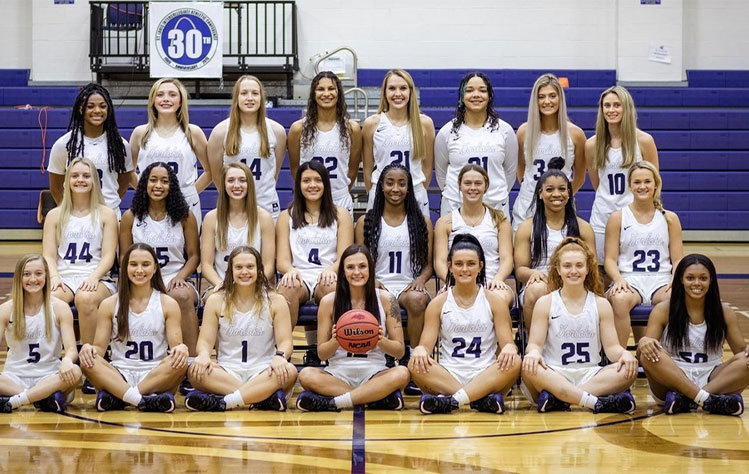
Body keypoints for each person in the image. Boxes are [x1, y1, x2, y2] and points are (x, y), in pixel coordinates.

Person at [521, 237, 638, 413]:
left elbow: (612, 348)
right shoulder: (545, 302)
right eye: (567, 266)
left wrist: (625, 354)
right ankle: (595, 402)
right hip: (554, 373)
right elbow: (535, 345)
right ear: (558, 270)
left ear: (588, 268)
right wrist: (533, 354)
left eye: (579, 265)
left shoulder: (601, 304)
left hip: (591, 374)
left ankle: (562, 399)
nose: (573, 271)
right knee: (529, 367)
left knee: (629, 369)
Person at [409, 234, 521, 414]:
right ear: (450, 267)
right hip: (448, 374)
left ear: (480, 266)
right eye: (459, 264)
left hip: (486, 374)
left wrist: (509, 348)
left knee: (515, 361)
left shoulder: (494, 301)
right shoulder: (438, 303)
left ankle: (452, 401)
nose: (465, 269)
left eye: (471, 264)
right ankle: (479, 400)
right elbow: (425, 346)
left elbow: (507, 343)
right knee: (414, 364)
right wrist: (421, 350)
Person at [295, 245, 410, 411]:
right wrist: (335, 341)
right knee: (306, 375)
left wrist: (381, 341)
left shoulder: (387, 299)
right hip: (338, 373)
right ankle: (373, 398)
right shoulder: (328, 302)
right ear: (342, 272)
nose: (357, 272)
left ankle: (334, 402)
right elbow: (322, 354)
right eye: (350, 267)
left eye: (362, 266)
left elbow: (399, 352)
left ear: (371, 269)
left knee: (402, 373)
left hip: (375, 372)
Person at [78, 243, 189, 413]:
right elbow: (99, 349)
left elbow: (176, 348)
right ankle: (144, 400)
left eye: (145, 264)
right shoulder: (109, 304)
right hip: (119, 374)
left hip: (156, 374)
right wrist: (88, 350)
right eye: (133, 264)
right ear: (125, 267)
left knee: (181, 360)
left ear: (154, 268)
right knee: (87, 361)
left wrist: (181, 349)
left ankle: (121, 397)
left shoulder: (167, 303)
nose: (139, 270)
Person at [185, 247, 297, 411]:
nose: (245, 272)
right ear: (230, 271)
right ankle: (261, 398)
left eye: (250, 267)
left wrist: (280, 357)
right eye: (239, 267)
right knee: (195, 372)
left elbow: (285, 341)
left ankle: (225, 401)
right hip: (228, 370)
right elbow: (205, 342)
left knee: (291, 372)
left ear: (259, 270)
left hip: (263, 370)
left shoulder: (275, 300)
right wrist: (202, 355)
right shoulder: (216, 300)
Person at [638, 254, 748, 416]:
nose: (697, 283)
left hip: (712, 377)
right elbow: (648, 347)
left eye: (703, 278)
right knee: (647, 354)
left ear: (711, 280)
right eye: (690, 278)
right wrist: (644, 341)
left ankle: (690, 400)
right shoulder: (663, 309)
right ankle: (708, 400)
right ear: (681, 279)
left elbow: (741, 352)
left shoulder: (724, 312)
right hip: (673, 378)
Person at [356, 163, 433, 366]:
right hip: (379, 285)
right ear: (381, 186)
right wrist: (371, 280)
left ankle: (414, 357)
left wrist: (420, 279)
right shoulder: (366, 221)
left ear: (409, 188)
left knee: (417, 300)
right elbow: (358, 261)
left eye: (401, 184)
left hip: (408, 285)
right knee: (377, 300)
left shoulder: (421, 221)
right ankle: (384, 357)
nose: (395, 189)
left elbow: (429, 264)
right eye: (390, 183)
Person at [276, 161, 353, 364]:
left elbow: (345, 255)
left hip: (328, 274)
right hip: (299, 275)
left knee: (331, 290)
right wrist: (290, 270)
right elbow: (282, 260)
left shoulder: (341, 215)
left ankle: (327, 355)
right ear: (299, 185)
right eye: (306, 180)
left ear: (326, 184)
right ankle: (282, 356)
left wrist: (331, 269)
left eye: (318, 180)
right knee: (287, 289)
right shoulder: (287, 216)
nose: (312, 185)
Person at [120, 162, 200, 356]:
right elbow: (124, 255)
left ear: (171, 186)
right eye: (153, 180)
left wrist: (181, 276)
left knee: (181, 296)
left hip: (173, 276)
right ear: (144, 184)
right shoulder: (131, 217)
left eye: (164, 181)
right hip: (140, 277)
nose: (158, 185)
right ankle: (134, 357)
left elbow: (194, 256)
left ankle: (191, 361)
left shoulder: (184, 216)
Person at [42, 157, 117, 357]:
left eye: (86, 176)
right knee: (49, 299)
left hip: (98, 278)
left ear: (94, 181)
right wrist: (55, 278)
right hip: (64, 277)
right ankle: (53, 359)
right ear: (66, 181)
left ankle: (91, 360)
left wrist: (93, 277)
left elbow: (109, 256)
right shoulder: (55, 215)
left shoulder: (106, 214)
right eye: (74, 176)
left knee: (85, 298)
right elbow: (48, 255)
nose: (80, 180)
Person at [605, 161, 683, 347]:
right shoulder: (618, 217)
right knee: (620, 299)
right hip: (630, 278)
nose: (642, 186)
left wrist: (675, 277)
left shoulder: (669, 218)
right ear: (630, 186)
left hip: (661, 278)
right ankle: (620, 357)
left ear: (655, 184)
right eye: (637, 182)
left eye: (647, 182)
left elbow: (678, 258)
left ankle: (665, 356)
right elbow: (609, 259)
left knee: (677, 299)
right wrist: (618, 279)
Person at [514, 159, 595, 327]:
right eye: (549, 189)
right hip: (540, 280)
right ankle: (535, 344)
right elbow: (520, 269)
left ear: (569, 193)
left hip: (574, 280)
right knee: (536, 291)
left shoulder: (583, 228)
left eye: (562, 189)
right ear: (540, 194)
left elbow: (591, 265)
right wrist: (531, 274)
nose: (556, 194)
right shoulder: (527, 227)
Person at [585, 85, 659, 261]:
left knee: (630, 270)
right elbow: (598, 184)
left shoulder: (644, 141)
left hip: (634, 216)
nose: (611, 110)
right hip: (602, 217)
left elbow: (654, 183)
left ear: (626, 108)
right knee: (600, 272)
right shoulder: (592, 145)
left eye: (617, 105)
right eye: (607, 106)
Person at [0, 255, 80, 413]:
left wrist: (67, 360)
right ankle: (42, 398)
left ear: (46, 276)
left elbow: (71, 349)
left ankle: (15, 401)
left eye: (38, 273)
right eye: (26, 274)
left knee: (76, 371)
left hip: (49, 376)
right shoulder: (6, 309)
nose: (33, 279)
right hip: (14, 378)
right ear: (19, 278)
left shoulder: (60, 308)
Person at [435, 72, 518, 217]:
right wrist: (460, 196)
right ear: (462, 96)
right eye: (469, 90)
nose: (476, 95)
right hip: (456, 205)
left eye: (482, 90)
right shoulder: (447, 132)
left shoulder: (505, 130)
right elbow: (441, 174)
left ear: (490, 96)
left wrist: (492, 193)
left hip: (495, 205)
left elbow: (510, 172)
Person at [129, 78, 210, 226]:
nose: (166, 99)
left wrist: (189, 193)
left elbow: (210, 171)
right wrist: (148, 192)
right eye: (160, 95)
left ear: (180, 101)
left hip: (186, 204)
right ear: (153, 99)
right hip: (150, 205)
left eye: (172, 94)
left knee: (189, 248)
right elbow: (129, 171)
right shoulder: (140, 133)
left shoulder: (193, 132)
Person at [512, 74, 587, 231]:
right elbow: (521, 172)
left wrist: (559, 194)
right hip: (527, 206)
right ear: (535, 101)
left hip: (560, 208)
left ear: (560, 99)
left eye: (552, 96)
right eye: (541, 97)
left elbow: (579, 177)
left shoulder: (575, 134)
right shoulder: (524, 132)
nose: (547, 101)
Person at [47, 83, 134, 217]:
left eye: (103, 106)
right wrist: (70, 211)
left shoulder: (120, 145)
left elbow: (122, 186)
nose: (97, 111)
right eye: (90, 106)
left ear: (109, 109)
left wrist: (107, 207)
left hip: (109, 216)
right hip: (74, 217)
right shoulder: (64, 144)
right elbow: (56, 188)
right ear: (81, 109)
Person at [207, 75, 287, 220]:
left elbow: (274, 173)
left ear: (262, 98)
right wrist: (234, 198)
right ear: (236, 98)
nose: (249, 98)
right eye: (244, 93)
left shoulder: (277, 131)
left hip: (267, 206)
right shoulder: (220, 132)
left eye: (255, 93)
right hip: (233, 208)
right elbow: (216, 176)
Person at [434, 164, 514, 308]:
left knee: (499, 299)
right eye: (467, 183)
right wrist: (452, 282)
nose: (473, 188)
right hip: (457, 281)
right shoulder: (445, 223)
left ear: (486, 186)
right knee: (441, 302)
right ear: (459, 186)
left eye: (478, 183)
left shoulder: (500, 220)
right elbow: (440, 261)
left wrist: (498, 279)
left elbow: (507, 259)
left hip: (492, 283)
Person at [288, 71, 362, 215]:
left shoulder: (352, 129)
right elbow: (295, 170)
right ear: (313, 94)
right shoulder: (298, 129)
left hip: (340, 199)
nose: (326, 93)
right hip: (309, 200)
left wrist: (337, 192)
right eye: (321, 89)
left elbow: (352, 170)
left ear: (338, 93)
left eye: (331, 89)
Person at [362, 69, 434, 216]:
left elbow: (427, 168)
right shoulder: (372, 124)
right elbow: (368, 169)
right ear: (384, 93)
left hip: (415, 193)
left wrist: (416, 190)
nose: (398, 94)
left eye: (403, 88)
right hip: (382, 194)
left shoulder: (424, 123)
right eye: (392, 88)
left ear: (411, 91)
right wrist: (375, 192)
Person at [200, 163, 276, 297]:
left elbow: (268, 265)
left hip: (255, 284)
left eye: (242, 180)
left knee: (276, 301)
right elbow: (206, 265)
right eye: (230, 180)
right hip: (221, 285)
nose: (236, 185)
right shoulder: (211, 218)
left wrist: (253, 285)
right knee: (215, 300)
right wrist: (221, 284)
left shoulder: (264, 217)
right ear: (223, 185)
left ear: (250, 185)